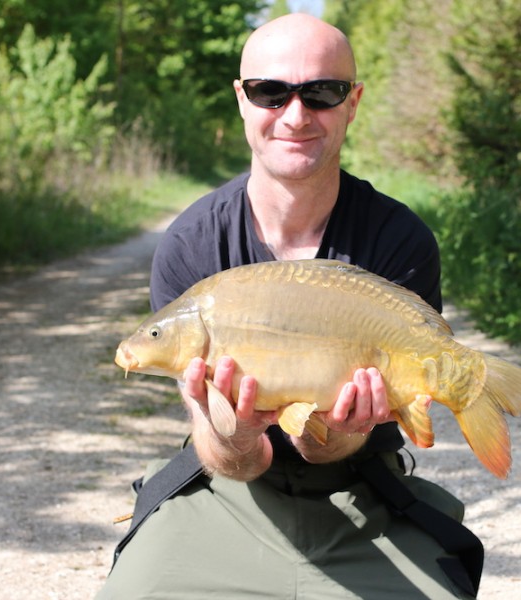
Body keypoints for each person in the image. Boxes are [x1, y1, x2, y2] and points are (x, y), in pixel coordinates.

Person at [97, 13, 481, 600]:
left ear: (352, 103)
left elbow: (339, 440)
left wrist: (338, 432)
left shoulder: (399, 238)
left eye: (322, 93)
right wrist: (238, 435)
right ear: (242, 100)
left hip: (364, 493)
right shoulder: (193, 243)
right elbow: (219, 450)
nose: (296, 116)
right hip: (225, 492)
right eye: (270, 92)